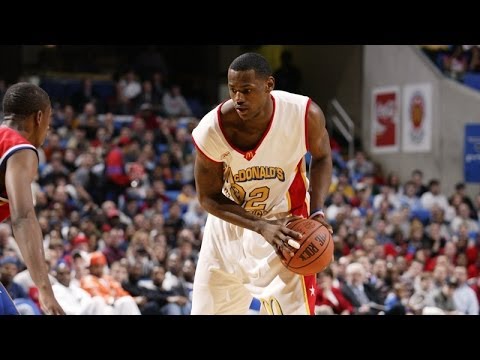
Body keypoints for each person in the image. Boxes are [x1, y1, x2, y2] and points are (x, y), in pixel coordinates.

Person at [191, 52, 333, 315]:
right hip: (229, 225)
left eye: (247, 90)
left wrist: (318, 211)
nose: (238, 99)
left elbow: (323, 157)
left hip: (285, 227)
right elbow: (207, 197)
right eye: (233, 90)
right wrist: (259, 226)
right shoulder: (213, 129)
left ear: (269, 85)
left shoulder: (304, 114)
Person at [0, 82, 64, 315]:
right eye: (49, 119)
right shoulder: (19, 148)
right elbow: (24, 218)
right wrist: (45, 290)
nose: (48, 129)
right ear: (39, 117)